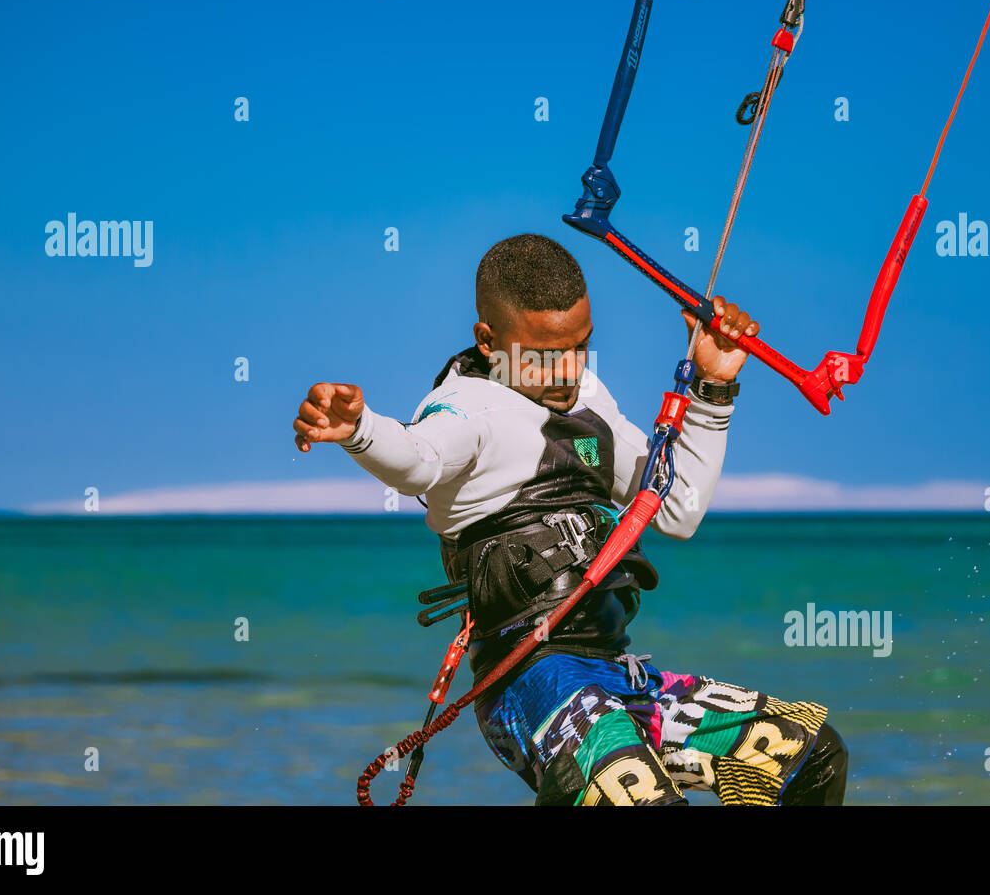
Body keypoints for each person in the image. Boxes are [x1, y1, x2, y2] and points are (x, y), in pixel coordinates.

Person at [294, 233, 847, 805]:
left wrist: (713, 388)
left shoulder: (587, 396)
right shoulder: (463, 410)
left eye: (580, 346)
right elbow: (416, 460)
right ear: (489, 340)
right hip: (534, 687)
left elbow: (676, 506)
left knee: (812, 755)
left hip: (615, 675)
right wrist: (359, 431)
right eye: (542, 354)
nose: (565, 370)